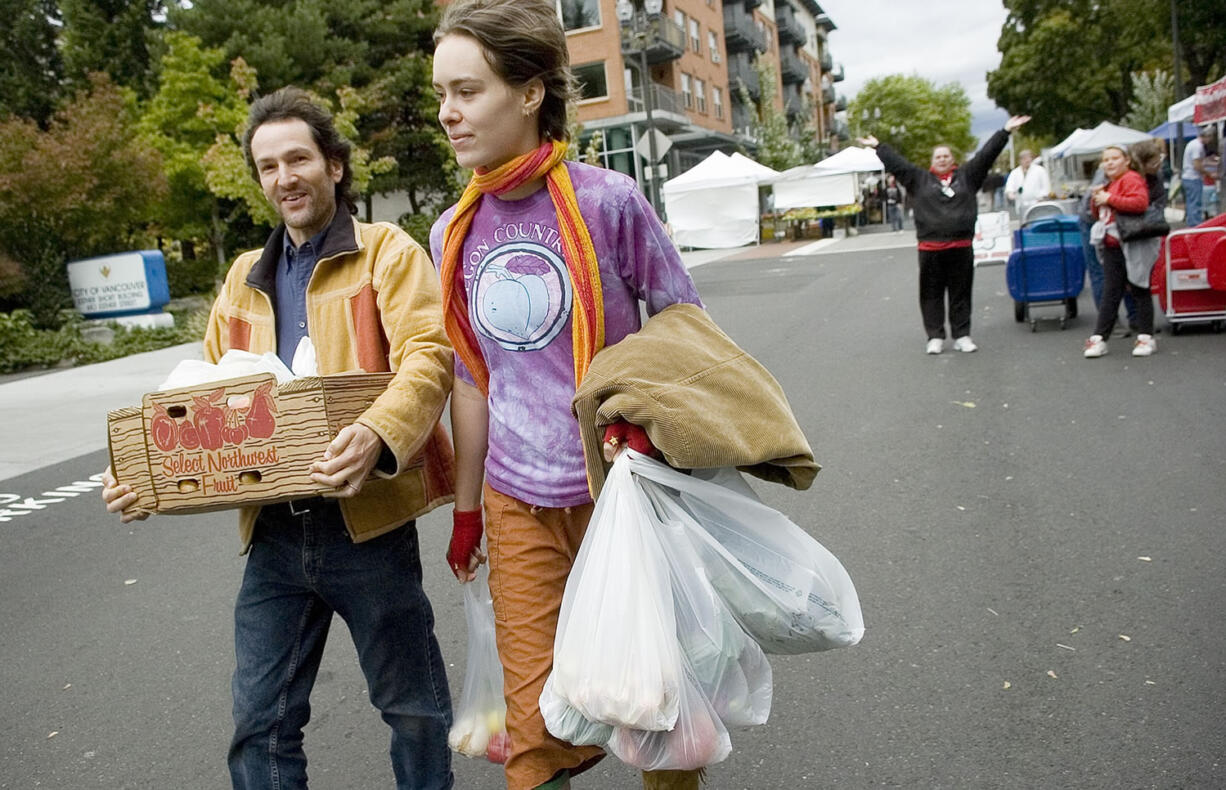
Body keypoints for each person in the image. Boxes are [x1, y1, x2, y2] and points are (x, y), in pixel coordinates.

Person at [101, 87, 457, 789]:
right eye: (268, 166)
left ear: (333, 164)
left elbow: (429, 355)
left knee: (412, 708)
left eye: (298, 158)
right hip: (272, 534)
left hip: (369, 526)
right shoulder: (241, 280)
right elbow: (195, 400)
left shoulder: (386, 252)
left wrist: (377, 431)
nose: (284, 177)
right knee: (260, 721)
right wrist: (144, 476)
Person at [429, 2, 705, 788]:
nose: (448, 113)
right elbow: (473, 379)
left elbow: (684, 324)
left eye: (468, 91)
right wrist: (469, 507)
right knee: (534, 734)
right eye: (441, 94)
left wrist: (649, 430)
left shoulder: (607, 203)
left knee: (658, 712)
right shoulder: (453, 230)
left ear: (529, 92)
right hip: (520, 504)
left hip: (624, 492)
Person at [859, 114, 1031, 355]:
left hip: (960, 246)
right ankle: (935, 336)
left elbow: (986, 155)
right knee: (931, 294)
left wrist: (1005, 131)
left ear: (953, 160)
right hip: (930, 248)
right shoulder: (918, 179)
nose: (942, 159)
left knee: (961, 292)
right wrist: (879, 147)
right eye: (938, 156)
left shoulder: (968, 177)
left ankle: (962, 335)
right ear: (932, 161)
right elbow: (897, 164)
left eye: (946, 156)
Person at [1083, 144, 1158, 358]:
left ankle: (1145, 337)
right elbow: (1101, 215)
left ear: (1126, 161)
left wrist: (1109, 199)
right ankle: (1100, 337)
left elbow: (1140, 203)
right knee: (1112, 291)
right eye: (1106, 160)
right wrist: (1097, 201)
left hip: (1133, 243)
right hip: (1113, 244)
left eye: (1114, 158)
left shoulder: (1131, 179)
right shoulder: (1111, 183)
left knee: (1139, 287)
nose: (1110, 163)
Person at [1004, 149, 1051, 221]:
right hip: (1021, 205)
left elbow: (1046, 187)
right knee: (1024, 224)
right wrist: (1010, 194)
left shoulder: (1040, 170)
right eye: (1024, 158)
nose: (1027, 160)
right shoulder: (1015, 173)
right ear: (1020, 160)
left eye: (1029, 158)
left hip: (1037, 204)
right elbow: (1010, 186)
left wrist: (1042, 197)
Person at [1181, 127, 1213, 226]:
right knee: (1195, 203)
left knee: (1191, 203)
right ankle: (1195, 225)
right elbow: (1197, 165)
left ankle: (1192, 224)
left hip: (1187, 177)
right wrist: (1209, 174)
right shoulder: (1198, 147)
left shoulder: (1193, 143)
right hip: (1193, 178)